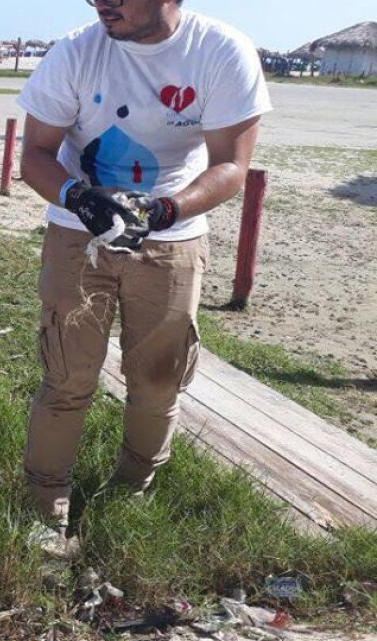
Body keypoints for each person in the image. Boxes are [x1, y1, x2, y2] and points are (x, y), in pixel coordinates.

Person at [16, 0, 271, 553]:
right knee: (66, 376)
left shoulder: (220, 51)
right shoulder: (76, 52)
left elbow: (231, 165)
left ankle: (132, 490)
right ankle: (44, 501)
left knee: (158, 380)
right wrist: (80, 198)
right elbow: (35, 154)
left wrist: (163, 212)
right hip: (76, 235)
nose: (101, 3)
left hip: (172, 238)